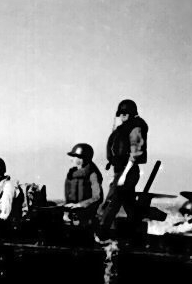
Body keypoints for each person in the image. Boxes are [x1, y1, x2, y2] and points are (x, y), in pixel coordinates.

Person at [98, 99, 150, 231]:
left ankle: (101, 233)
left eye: (126, 112)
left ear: (132, 113)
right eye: (121, 112)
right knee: (129, 204)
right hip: (121, 171)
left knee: (112, 202)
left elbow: (135, 154)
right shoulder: (122, 129)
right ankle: (136, 233)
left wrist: (123, 176)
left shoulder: (135, 128)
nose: (123, 115)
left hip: (128, 171)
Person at [61, 143, 104, 225]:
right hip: (73, 213)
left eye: (74, 157)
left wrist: (79, 205)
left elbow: (97, 197)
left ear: (82, 159)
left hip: (86, 214)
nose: (71, 159)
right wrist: (66, 212)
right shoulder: (71, 175)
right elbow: (68, 197)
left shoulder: (92, 174)